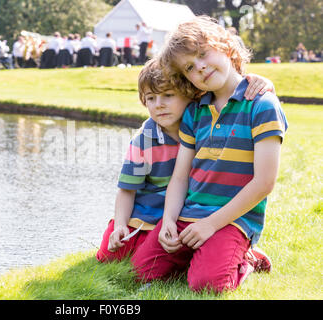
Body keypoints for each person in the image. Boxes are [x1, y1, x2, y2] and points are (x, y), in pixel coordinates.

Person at [131, 16, 287, 293]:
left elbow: (264, 182)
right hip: (189, 213)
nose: (200, 67)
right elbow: (180, 177)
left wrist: (210, 225)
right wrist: (168, 220)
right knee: (141, 271)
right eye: (190, 67)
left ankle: (246, 258)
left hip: (232, 220)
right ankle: (203, 253)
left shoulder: (261, 105)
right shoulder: (195, 111)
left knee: (207, 285)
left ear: (226, 46)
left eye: (203, 54)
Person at [97, 57, 276, 265]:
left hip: (185, 216)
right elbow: (127, 189)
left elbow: (235, 86)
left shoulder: (201, 124)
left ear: (189, 94)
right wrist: (120, 224)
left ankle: (240, 255)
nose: (159, 105)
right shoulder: (143, 141)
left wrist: (264, 83)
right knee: (110, 257)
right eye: (151, 98)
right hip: (144, 218)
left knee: (179, 254)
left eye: (168, 95)